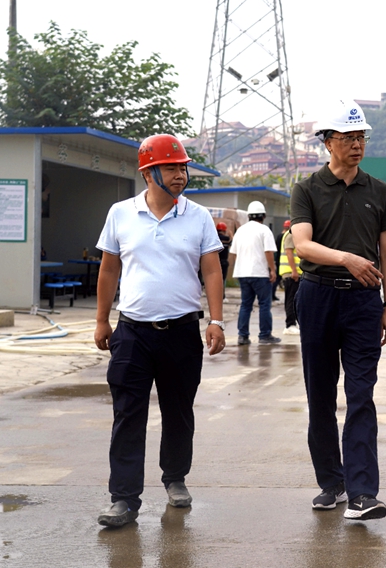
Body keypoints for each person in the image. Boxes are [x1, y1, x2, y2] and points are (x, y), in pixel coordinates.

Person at [93, 134, 226, 528]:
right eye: (172, 168)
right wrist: (101, 319)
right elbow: (109, 269)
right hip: (132, 333)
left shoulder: (198, 217)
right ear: (149, 173)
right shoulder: (121, 213)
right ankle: (123, 498)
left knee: (178, 411)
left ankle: (175, 478)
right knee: (127, 414)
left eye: (183, 167)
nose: (181, 174)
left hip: (182, 332)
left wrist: (216, 320)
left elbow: (211, 270)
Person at [290, 99, 386, 520]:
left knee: (361, 395)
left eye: (362, 138)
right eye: (349, 138)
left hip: (362, 302)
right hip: (317, 296)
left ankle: (362, 493)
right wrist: (347, 259)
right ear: (328, 142)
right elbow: (302, 244)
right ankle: (331, 483)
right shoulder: (307, 189)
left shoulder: (379, 191)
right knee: (320, 395)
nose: (357, 145)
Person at [230, 201, 280, 345]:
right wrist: (272, 270)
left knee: (246, 305)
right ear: (263, 216)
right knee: (264, 304)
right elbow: (268, 252)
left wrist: (242, 266)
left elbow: (234, 253)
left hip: (243, 273)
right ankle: (265, 335)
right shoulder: (264, 230)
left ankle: (243, 336)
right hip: (260, 273)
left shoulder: (240, 231)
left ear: (249, 216)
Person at [279, 222, 301, 335]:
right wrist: (294, 271)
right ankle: (290, 325)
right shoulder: (291, 234)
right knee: (291, 299)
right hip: (291, 274)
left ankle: (294, 323)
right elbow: (289, 253)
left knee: (296, 300)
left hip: (294, 273)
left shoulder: (294, 234)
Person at [272, 220, 290, 302]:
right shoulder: (286, 236)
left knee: (277, 279)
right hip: (283, 261)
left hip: (279, 259)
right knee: (277, 279)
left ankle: (272, 294)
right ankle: (272, 294)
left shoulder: (279, 236)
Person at [216, 222, 232, 302]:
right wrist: (231, 234)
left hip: (215, 262)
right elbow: (232, 242)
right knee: (222, 280)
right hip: (223, 262)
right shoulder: (226, 239)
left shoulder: (215, 238)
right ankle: (222, 296)